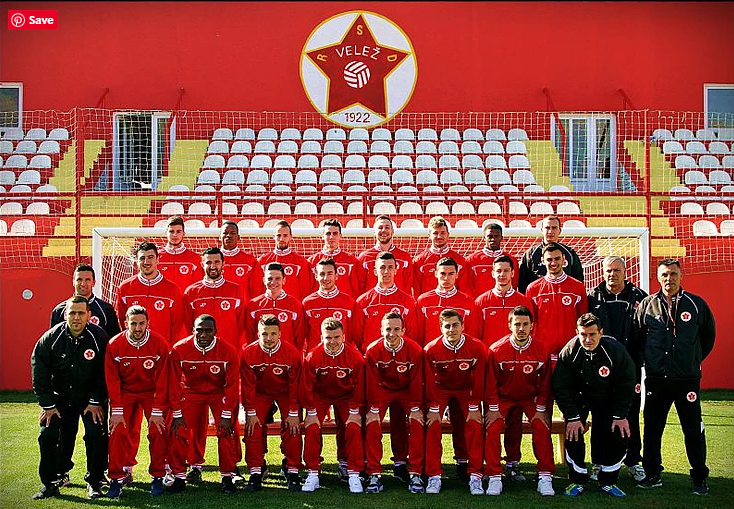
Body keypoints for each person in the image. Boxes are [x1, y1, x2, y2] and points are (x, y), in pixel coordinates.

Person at [634, 259, 716, 495]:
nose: (669, 278)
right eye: (664, 275)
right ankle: (652, 474)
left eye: (673, 274)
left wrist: (691, 359)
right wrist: (651, 362)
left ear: (681, 276)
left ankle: (699, 477)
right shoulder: (647, 305)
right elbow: (638, 338)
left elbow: (708, 338)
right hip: (656, 379)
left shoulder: (696, 304)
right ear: (658, 278)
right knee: (652, 428)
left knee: (693, 429)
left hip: (686, 380)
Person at [31, 296, 109, 500]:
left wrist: (96, 400)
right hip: (60, 399)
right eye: (72, 313)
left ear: (89, 315)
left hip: (90, 400)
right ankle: (51, 482)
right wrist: (48, 405)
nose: (76, 317)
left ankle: (95, 481)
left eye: (81, 313)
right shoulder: (50, 338)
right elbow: (39, 372)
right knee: (48, 435)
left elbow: (106, 372)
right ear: (65, 314)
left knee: (96, 433)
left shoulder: (99, 338)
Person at [552, 313, 636, 497]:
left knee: (618, 432)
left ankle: (608, 481)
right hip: (579, 399)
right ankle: (577, 480)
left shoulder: (615, 350)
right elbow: (561, 386)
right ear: (577, 333)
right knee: (573, 433)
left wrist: (620, 415)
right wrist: (572, 416)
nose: (588, 339)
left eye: (592, 334)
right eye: (583, 334)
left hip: (608, 399)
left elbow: (627, 383)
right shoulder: (569, 351)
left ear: (601, 333)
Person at [588, 255, 648, 482]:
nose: (612, 274)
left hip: (629, 367)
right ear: (602, 272)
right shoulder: (593, 297)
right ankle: (598, 462)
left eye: (616, 270)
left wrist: (640, 358)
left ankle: (633, 461)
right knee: (599, 415)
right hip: (600, 367)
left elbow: (646, 331)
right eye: (608, 270)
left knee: (630, 414)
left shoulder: (639, 297)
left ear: (625, 272)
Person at [483, 306, 555, 496]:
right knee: (493, 427)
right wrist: (492, 409)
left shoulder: (541, 349)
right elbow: (491, 383)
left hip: (530, 398)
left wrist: (541, 407)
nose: (521, 328)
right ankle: (494, 475)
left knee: (541, 426)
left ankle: (545, 475)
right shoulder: (496, 350)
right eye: (517, 324)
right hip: (503, 398)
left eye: (525, 324)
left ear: (532, 325)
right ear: (509, 325)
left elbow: (545, 382)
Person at [474, 255, 532, 483]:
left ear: (512, 273)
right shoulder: (482, 301)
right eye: (498, 270)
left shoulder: (523, 300)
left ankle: (513, 463)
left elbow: (531, 331)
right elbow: (477, 336)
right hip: (491, 369)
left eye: (506, 270)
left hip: (516, 368)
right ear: (492, 273)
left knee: (514, 421)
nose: (502, 274)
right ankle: (488, 464)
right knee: (488, 419)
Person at [167, 314, 240, 494]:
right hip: (191, 392)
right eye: (199, 330)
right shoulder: (179, 349)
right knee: (178, 428)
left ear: (216, 331)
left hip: (218, 392)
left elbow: (232, 385)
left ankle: (228, 475)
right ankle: (179, 476)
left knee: (226, 430)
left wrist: (226, 415)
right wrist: (177, 413)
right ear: (193, 331)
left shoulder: (228, 351)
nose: (204, 335)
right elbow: (173, 383)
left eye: (208, 331)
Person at [104, 306, 169, 498]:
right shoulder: (115, 344)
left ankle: (158, 476)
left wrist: (158, 408)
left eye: (142, 323)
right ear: (126, 324)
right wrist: (116, 408)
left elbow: (163, 378)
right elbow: (112, 379)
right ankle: (116, 478)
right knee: (117, 431)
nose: (138, 328)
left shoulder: (159, 343)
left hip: (151, 393)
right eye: (133, 323)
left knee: (157, 430)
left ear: (148, 323)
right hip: (125, 392)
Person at [423, 309, 486, 494]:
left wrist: (474, 406)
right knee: (433, 423)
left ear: (463, 326)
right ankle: (434, 475)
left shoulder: (477, 347)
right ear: (441, 328)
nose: (452, 330)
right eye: (447, 326)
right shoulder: (431, 349)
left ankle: (475, 475)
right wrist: (433, 407)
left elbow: (479, 380)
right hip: (440, 390)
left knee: (474, 424)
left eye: (455, 325)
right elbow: (429, 382)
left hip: (467, 390)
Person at [300, 318, 366, 493]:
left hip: (346, 397)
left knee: (352, 426)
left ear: (343, 336)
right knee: (312, 426)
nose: (333, 341)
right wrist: (311, 411)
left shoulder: (355, 357)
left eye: (336, 337)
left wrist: (354, 410)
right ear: (321, 337)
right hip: (320, 397)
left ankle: (353, 473)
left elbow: (359, 387)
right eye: (328, 337)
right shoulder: (313, 357)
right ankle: (313, 472)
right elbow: (307, 387)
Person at [240, 315, 303, 492]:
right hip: (260, 393)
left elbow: (295, 385)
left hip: (285, 393)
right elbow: (248, 386)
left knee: (293, 427)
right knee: (253, 427)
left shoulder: (292, 353)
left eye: (273, 334)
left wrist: (293, 411)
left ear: (280, 334)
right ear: (258, 334)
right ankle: (256, 470)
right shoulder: (249, 353)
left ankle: (291, 469)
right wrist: (250, 411)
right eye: (264, 334)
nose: (269, 338)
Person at [363, 312, 425, 493]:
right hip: (382, 391)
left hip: (406, 391)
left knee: (417, 422)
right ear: (381, 330)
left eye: (396, 329)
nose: (392, 334)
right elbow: (372, 382)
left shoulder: (414, 350)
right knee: (372, 422)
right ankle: (374, 472)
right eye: (388, 329)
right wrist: (374, 407)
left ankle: (416, 472)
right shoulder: (373, 350)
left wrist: (415, 407)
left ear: (403, 330)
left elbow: (416, 381)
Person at [525, 243, 588, 366]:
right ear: (543, 261)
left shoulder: (578, 287)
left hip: (571, 350)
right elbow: (530, 322)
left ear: (564, 259)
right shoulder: (533, 289)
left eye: (557, 258)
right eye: (549, 259)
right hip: (543, 352)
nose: (553, 263)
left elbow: (583, 320)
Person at [115, 242, 185, 346]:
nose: (146, 262)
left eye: (150, 257)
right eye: (142, 258)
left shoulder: (172, 289)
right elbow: (122, 320)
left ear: (158, 260)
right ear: (137, 261)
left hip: (161, 350)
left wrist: (170, 348)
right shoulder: (125, 288)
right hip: (134, 348)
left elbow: (178, 325)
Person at [183, 247, 245, 348]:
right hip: (202, 349)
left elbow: (241, 324)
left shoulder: (236, 290)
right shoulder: (191, 292)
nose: (213, 266)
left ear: (223, 264)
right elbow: (188, 324)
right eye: (208, 262)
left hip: (229, 348)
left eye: (217, 262)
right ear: (202, 264)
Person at [356, 252, 419, 346]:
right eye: (382, 267)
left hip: (399, 353)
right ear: (375, 271)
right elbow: (357, 336)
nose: (386, 271)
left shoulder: (407, 301)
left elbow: (412, 334)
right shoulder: (363, 302)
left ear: (396, 270)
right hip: (371, 353)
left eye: (390, 267)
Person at [302, 258, 363, 354]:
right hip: (316, 357)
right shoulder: (307, 303)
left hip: (342, 356)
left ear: (336, 276)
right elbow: (304, 334)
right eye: (322, 274)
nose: (326, 278)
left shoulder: (349, 302)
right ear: (316, 276)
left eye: (330, 274)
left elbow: (355, 334)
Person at [417, 256, 479, 345]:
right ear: (436, 274)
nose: (446, 278)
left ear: (457, 275)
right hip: (431, 351)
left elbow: (472, 333)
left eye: (451, 274)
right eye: (443, 273)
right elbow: (419, 333)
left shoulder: (468, 301)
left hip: (459, 351)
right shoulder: (423, 300)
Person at [245, 262, 305, 350]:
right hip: (261, 355)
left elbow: (299, 338)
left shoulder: (295, 305)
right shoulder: (253, 305)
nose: (273, 282)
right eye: (269, 279)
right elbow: (250, 336)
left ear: (284, 280)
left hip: (286, 355)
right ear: (264, 280)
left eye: (277, 278)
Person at [50, 264, 120, 338]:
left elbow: (113, 340)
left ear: (93, 283)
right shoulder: (59, 310)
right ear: (73, 282)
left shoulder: (106, 310)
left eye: (87, 280)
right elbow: (53, 339)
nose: (83, 284)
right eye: (79, 280)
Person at [518, 215, 583, 293]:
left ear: (559, 231)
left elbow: (578, 279)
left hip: (565, 297)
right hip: (539, 298)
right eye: (547, 228)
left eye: (554, 228)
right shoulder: (530, 254)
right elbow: (522, 283)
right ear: (542, 230)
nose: (550, 231)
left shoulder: (570, 253)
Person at [413, 216, 472, 297]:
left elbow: (464, 289)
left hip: (453, 303)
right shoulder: (419, 261)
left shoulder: (460, 260)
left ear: (448, 235)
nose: (439, 236)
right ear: (429, 235)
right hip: (429, 304)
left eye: (443, 233)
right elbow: (416, 290)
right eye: (435, 233)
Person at [358, 215, 414, 295]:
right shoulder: (364, 258)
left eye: (387, 227)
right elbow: (360, 288)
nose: (384, 230)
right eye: (380, 227)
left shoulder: (405, 257)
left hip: (397, 302)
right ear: (374, 232)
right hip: (373, 302)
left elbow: (408, 287)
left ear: (392, 231)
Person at [257, 220, 312, 301]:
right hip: (268, 306)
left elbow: (305, 290)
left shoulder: (301, 262)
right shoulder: (262, 261)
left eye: (285, 235)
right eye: (278, 235)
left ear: (290, 237)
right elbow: (257, 289)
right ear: (273, 237)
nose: (281, 239)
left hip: (291, 306)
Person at [308, 218, 364, 298]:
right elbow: (308, 289)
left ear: (340, 236)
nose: (331, 237)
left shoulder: (351, 261)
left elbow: (357, 289)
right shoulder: (312, 261)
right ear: (322, 236)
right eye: (328, 233)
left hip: (343, 304)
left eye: (335, 233)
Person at [465, 222, 518, 297]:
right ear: (484, 238)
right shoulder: (471, 260)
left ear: (501, 238)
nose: (493, 239)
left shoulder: (512, 260)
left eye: (496, 236)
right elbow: (467, 286)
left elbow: (514, 284)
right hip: (478, 302)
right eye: (489, 236)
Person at [157, 215, 204, 294]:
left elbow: (198, 287)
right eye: (171, 231)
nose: (175, 235)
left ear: (183, 234)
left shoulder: (195, 258)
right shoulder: (157, 257)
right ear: (166, 233)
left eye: (178, 231)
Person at [219, 220, 264, 301]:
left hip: (242, 306)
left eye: (233, 233)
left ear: (238, 237)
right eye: (225, 233)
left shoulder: (250, 261)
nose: (229, 236)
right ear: (219, 237)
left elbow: (256, 290)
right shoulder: (212, 260)